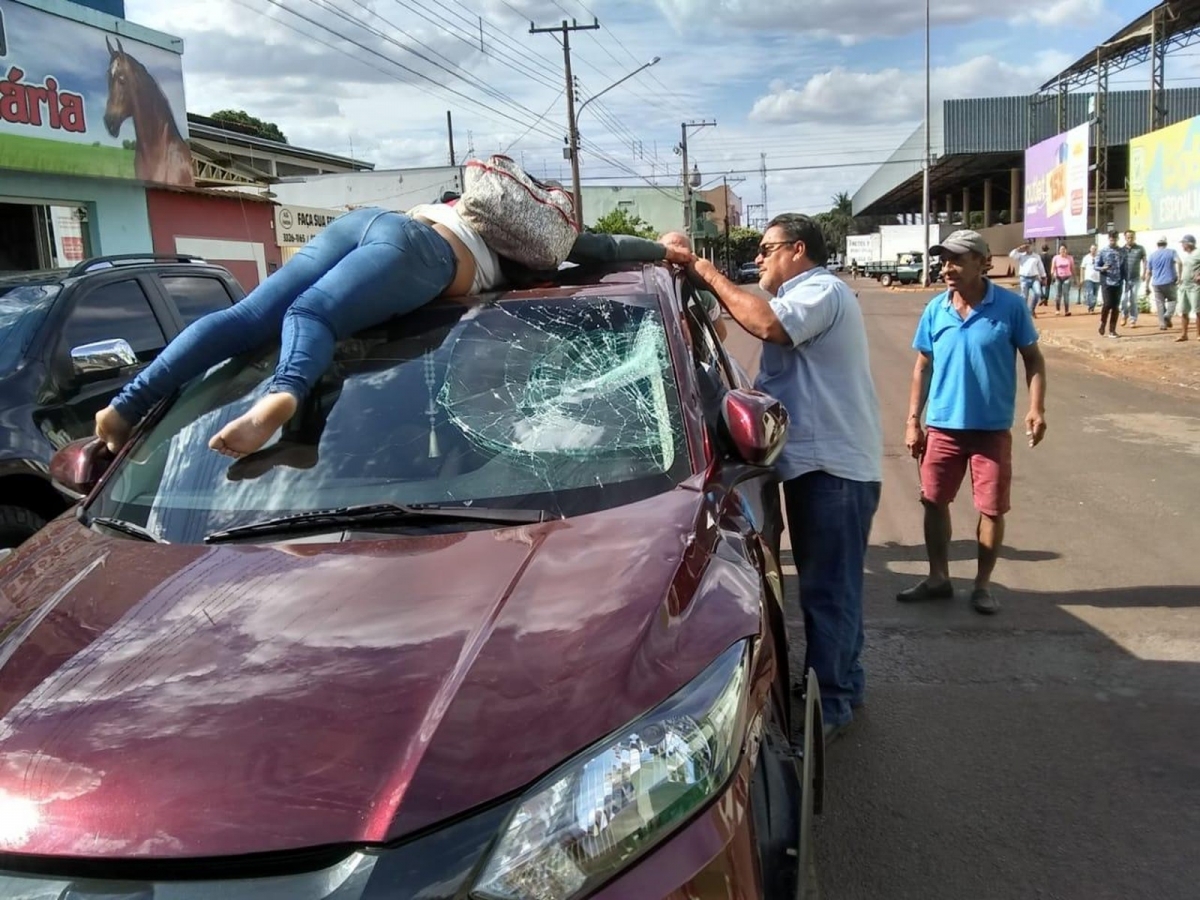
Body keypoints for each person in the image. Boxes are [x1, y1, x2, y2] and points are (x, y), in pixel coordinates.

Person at [94, 204, 693, 458]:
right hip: (424, 252)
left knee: (248, 318)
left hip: (370, 220)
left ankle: (125, 407)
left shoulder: (475, 206)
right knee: (313, 315)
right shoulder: (549, 244)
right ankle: (283, 396)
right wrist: (663, 250)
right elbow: (610, 248)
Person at [684, 213, 881, 743]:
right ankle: (844, 684)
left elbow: (768, 325)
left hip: (833, 470)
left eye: (766, 249)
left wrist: (706, 272)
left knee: (827, 590)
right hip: (824, 467)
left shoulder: (821, 291)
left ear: (798, 250)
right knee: (834, 585)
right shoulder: (808, 295)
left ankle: (832, 703)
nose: (758, 259)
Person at [898, 230, 1047, 615]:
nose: (947, 268)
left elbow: (1033, 359)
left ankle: (982, 586)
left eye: (957, 260)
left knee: (992, 508)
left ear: (983, 263)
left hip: (991, 430)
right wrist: (914, 420)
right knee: (933, 501)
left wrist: (1036, 408)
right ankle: (938, 578)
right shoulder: (936, 309)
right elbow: (923, 367)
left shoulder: (1011, 307)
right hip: (942, 427)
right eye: (944, 260)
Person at [1146, 236, 1180, 331]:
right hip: (1169, 281)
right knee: (1173, 300)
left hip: (1156, 283)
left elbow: (1148, 272)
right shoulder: (1171, 252)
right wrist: (1180, 276)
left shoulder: (1152, 255)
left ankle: (1162, 324)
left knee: (1159, 303)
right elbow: (1179, 262)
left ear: (1157, 244)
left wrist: (1146, 285)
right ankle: (1167, 315)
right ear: (1166, 243)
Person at [1096, 231, 1125, 338]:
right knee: (1107, 304)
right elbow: (1096, 266)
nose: (1113, 241)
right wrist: (1103, 268)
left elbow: (1124, 266)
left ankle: (1112, 330)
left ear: (1117, 239)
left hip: (1118, 282)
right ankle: (1103, 322)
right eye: (1111, 239)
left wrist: (1125, 278)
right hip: (1106, 281)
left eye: (1115, 239)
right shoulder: (1103, 251)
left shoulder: (1122, 251)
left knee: (1115, 307)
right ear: (1109, 239)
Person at [1009, 242, 1046, 315]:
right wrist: (1019, 248)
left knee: (1038, 293)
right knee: (1024, 297)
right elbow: (1011, 255)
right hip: (1024, 278)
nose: (1028, 248)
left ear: (1032, 247)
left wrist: (1044, 276)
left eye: (1029, 246)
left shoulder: (1036, 256)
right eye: (1026, 247)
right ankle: (1024, 312)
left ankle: (1031, 309)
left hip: (1034, 278)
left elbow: (1041, 267)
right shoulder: (1021, 256)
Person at [1120, 230, 1147, 327]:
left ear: (1135, 237)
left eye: (1132, 237)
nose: (1130, 239)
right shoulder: (1121, 250)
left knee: (1133, 299)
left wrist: (1144, 273)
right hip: (1124, 279)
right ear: (1125, 238)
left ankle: (1133, 319)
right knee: (1123, 299)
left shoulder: (1140, 249)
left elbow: (1145, 261)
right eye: (1128, 237)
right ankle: (1124, 315)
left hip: (1135, 278)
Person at [1177, 234, 1200, 341]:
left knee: (1198, 310)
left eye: (1183, 243)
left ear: (1189, 244)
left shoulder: (1198, 253)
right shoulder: (1188, 255)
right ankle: (1184, 334)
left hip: (1195, 286)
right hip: (1184, 286)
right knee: (1184, 310)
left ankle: (1198, 335)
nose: (1182, 245)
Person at [1050, 244, 1074, 315]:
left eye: (1064, 249)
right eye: (1061, 249)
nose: (1063, 250)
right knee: (1058, 294)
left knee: (1066, 294)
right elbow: (1053, 268)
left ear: (1066, 250)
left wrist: (1075, 278)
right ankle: (1057, 309)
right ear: (1059, 250)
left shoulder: (1070, 258)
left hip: (1067, 277)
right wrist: (1053, 275)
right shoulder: (1056, 258)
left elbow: (1072, 268)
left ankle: (1067, 310)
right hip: (1058, 277)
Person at [1080, 244, 1101, 313]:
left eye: (1095, 249)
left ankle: (1092, 307)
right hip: (1089, 278)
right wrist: (1082, 278)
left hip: (1097, 278)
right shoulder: (1086, 258)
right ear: (1090, 249)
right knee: (1090, 293)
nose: (1093, 250)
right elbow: (1082, 267)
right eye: (1092, 249)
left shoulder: (1099, 258)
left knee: (1095, 294)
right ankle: (1090, 306)